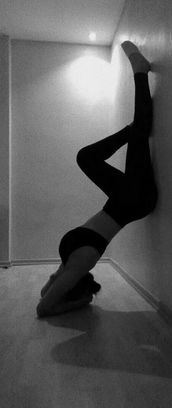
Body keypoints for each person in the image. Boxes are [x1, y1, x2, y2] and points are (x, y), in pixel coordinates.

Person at [36, 41, 158, 318]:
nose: (56, 281)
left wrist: (65, 290)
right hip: (135, 201)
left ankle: (134, 126)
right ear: (73, 284)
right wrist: (81, 302)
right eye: (63, 284)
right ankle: (140, 75)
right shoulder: (82, 262)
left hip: (122, 199)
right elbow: (43, 308)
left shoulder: (70, 266)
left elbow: (46, 294)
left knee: (85, 157)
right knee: (96, 154)